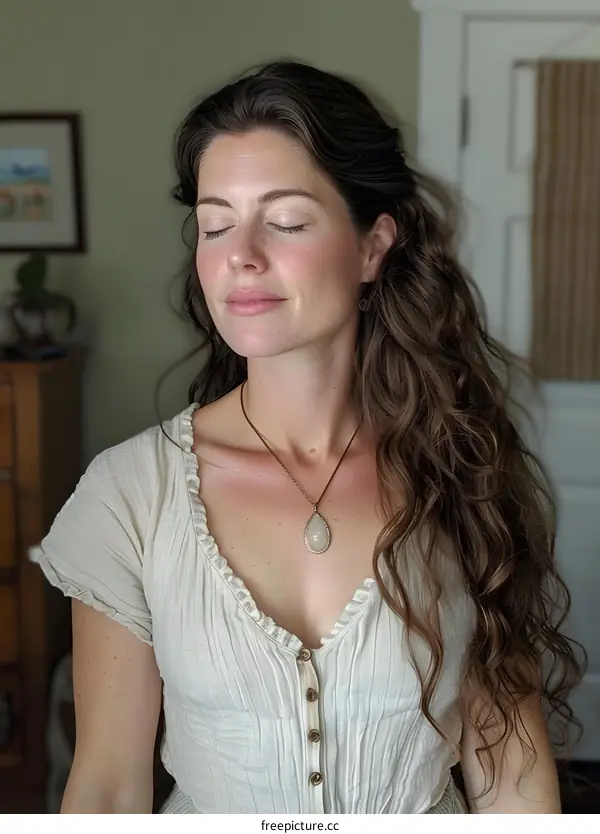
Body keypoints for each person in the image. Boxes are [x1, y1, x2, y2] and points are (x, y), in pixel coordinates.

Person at [31, 60, 582, 815]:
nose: (240, 254)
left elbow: (512, 777)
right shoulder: (130, 493)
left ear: (371, 246)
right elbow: (107, 788)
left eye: (286, 221)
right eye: (216, 222)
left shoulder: (460, 468)